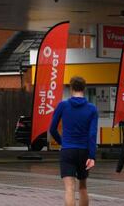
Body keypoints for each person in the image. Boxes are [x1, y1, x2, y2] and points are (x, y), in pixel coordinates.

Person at [50, 76, 98, 206]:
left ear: (71, 88)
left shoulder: (63, 106)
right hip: (84, 151)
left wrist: (62, 142)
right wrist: (92, 156)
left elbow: (52, 129)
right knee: (83, 187)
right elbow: (92, 134)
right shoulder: (92, 109)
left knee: (69, 188)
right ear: (84, 88)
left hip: (68, 150)